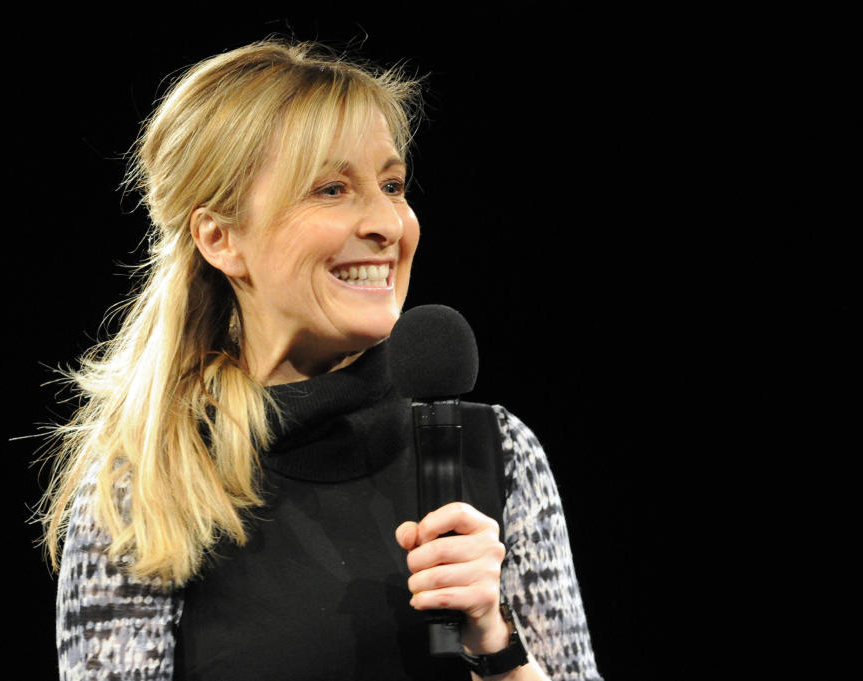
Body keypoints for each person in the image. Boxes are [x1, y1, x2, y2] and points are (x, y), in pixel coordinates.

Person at [38, 38, 603, 681]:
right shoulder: (148, 488)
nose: (388, 224)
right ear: (220, 238)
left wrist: (494, 643)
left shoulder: (497, 454)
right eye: (332, 188)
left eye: (393, 184)